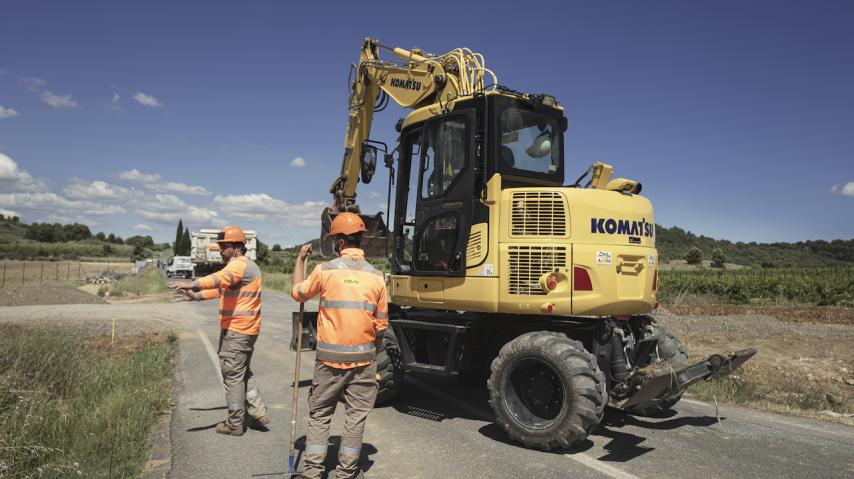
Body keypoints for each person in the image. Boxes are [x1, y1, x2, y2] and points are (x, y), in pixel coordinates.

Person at [291, 212, 388, 479]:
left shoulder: (326, 271)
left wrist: (300, 259)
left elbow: (297, 292)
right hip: (365, 361)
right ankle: (346, 473)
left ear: (340, 242)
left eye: (335, 239)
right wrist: (370, 353)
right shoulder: (377, 277)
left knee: (320, 414)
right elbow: (381, 326)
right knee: (355, 418)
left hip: (329, 361)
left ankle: (312, 472)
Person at [169, 225, 269, 436]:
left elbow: (217, 280)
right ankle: (258, 412)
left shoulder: (238, 266)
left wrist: (190, 284)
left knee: (232, 375)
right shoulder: (246, 267)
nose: (221, 250)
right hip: (246, 331)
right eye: (221, 246)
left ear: (237, 247)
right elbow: (222, 289)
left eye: (225, 247)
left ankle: (235, 424)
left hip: (237, 331)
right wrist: (195, 296)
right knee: (241, 371)